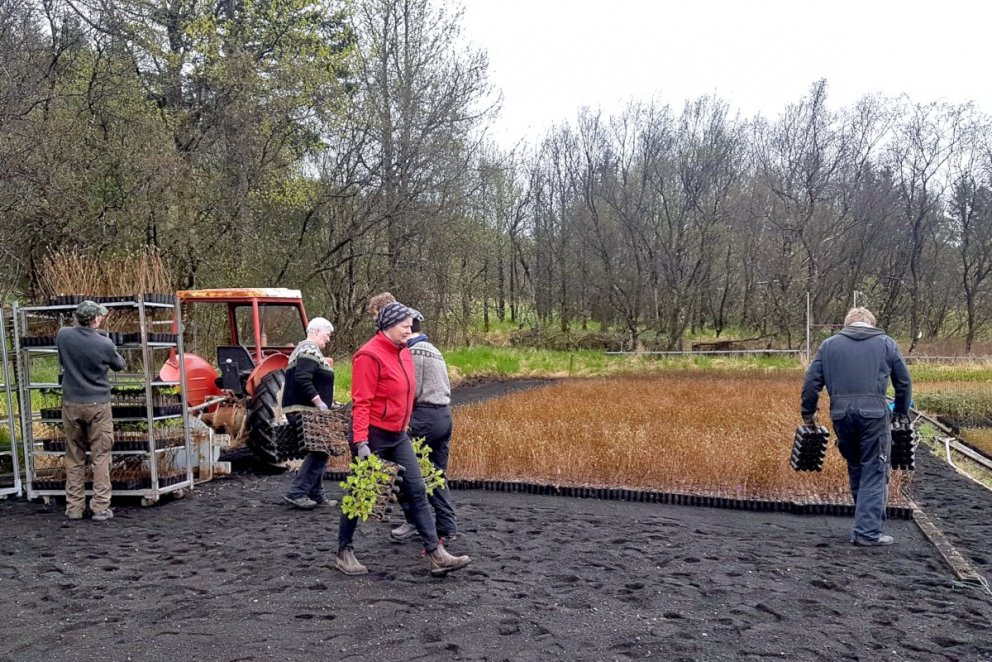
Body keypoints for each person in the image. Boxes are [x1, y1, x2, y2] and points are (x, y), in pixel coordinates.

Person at [336, 301, 470, 577]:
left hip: (398, 435)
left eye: (411, 326)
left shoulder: (404, 352)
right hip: (372, 435)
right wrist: (361, 443)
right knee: (362, 493)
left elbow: (408, 392)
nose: (410, 330)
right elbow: (361, 402)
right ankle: (344, 551)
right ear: (388, 326)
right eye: (405, 326)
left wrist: (405, 422)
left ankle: (436, 554)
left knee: (417, 488)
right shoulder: (368, 356)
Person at [801, 307, 912, 546]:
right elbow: (903, 382)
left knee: (856, 466)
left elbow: (811, 382)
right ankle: (867, 533)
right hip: (874, 416)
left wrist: (808, 414)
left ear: (847, 324)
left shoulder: (829, 345)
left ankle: (866, 525)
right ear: (871, 324)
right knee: (874, 470)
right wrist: (901, 413)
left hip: (841, 415)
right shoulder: (886, 344)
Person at [391, 311, 459, 544]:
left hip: (424, 417)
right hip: (444, 416)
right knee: (436, 473)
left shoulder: (412, 352)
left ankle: (413, 521)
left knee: (404, 469)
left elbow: (410, 391)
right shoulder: (434, 350)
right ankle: (447, 525)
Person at [57, 300, 126, 521]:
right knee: (101, 455)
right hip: (98, 405)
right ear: (95, 319)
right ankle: (100, 506)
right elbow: (119, 365)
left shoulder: (63, 335)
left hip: (71, 403)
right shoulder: (104, 343)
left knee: (74, 455)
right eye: (100, 316)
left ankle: (74, 507)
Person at [283, 317, 337, 509]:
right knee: (319, 450)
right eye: (327, 334)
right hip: (306, 410)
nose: (328, 339)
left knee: (320, 449)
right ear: (315, 331)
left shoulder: (304, 350)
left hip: (306, 409)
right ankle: (297, 492)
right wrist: (319, 402)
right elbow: (302, 379)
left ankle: (317, 494)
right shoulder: (308, 350)